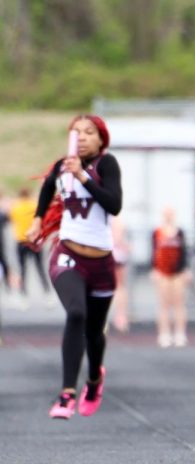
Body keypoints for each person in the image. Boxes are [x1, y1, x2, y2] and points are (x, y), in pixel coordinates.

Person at [25, 115, 123, 419]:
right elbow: (46, 190)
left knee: (94, 333)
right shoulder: (62, 166)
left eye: (88, 132)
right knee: (76, 313)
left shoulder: (106, 165)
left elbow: (114, 204)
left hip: (101, 262)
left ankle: (94, 380)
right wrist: (38, 220)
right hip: (68, 255)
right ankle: (67, 393)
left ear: (100, 140)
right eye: (75, 132)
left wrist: (83, 177)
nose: (80, 137)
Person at [151, 206, 190, 347]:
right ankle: (164, 334)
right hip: (162, 271)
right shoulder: (157, 232)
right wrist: (154, 269)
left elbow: (185, 252)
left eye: (170, 214)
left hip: (178, 272)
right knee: (164, 304)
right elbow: (154, 252)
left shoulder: (180, 232)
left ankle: (180, 333)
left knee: (179, 303)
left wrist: (186, 270)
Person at [11, 188, 51, 302]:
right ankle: (47, 292)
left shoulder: (16, 207)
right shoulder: (34, 206)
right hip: (34, 240)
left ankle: (23, 294)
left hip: (21, 240)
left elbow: (12, 220)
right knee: (40, 268)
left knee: (22, 269)